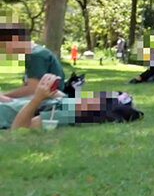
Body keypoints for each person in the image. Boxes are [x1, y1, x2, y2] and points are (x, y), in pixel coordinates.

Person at [1, 73, 143, 130]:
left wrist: (37, 98)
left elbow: (19, 128)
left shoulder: (67, 113)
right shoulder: (67, 102)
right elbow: (13, 104)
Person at [0, 23, 65, 101]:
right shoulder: (33, 53)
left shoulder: (36, 56)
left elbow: (32, 89)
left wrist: (4, 95)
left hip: (50, 102)